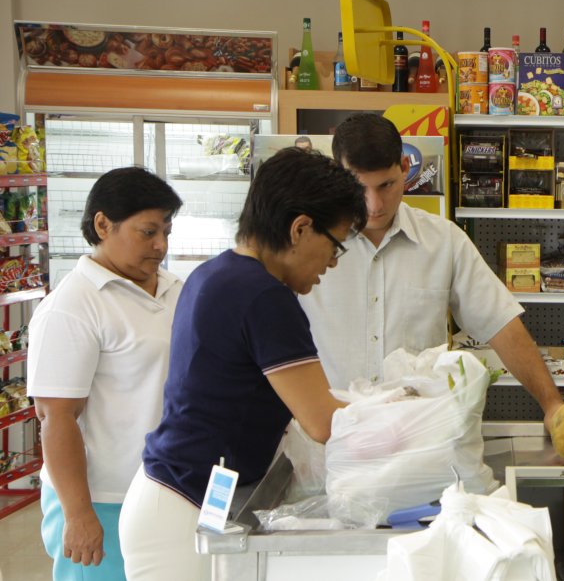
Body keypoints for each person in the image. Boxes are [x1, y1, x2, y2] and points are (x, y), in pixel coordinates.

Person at [118, 149, 366, 581]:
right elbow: (323, 423)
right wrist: (406, 418)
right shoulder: (264, 296)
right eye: (335, 244)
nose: (332, 261)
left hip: (175, 498)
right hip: (181, 512)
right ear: (300, 228)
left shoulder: (216, 273)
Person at [298, 112, 563, 424]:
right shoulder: (307, 243)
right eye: (359, 187)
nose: (374, 205)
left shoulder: (443, 240)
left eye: (386, 185)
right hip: (333, 442)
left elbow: (500, 324)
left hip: (420, 439)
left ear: (406, 167)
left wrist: (552, 405)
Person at [28, 168, 183, 581]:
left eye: (167, 230)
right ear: (102, 224)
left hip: (165, 488)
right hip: (103, 499)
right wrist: (79, 515)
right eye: (148, 232)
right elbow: (56, 417)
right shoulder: (74, 306)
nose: (161, 245)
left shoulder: (174, 289)